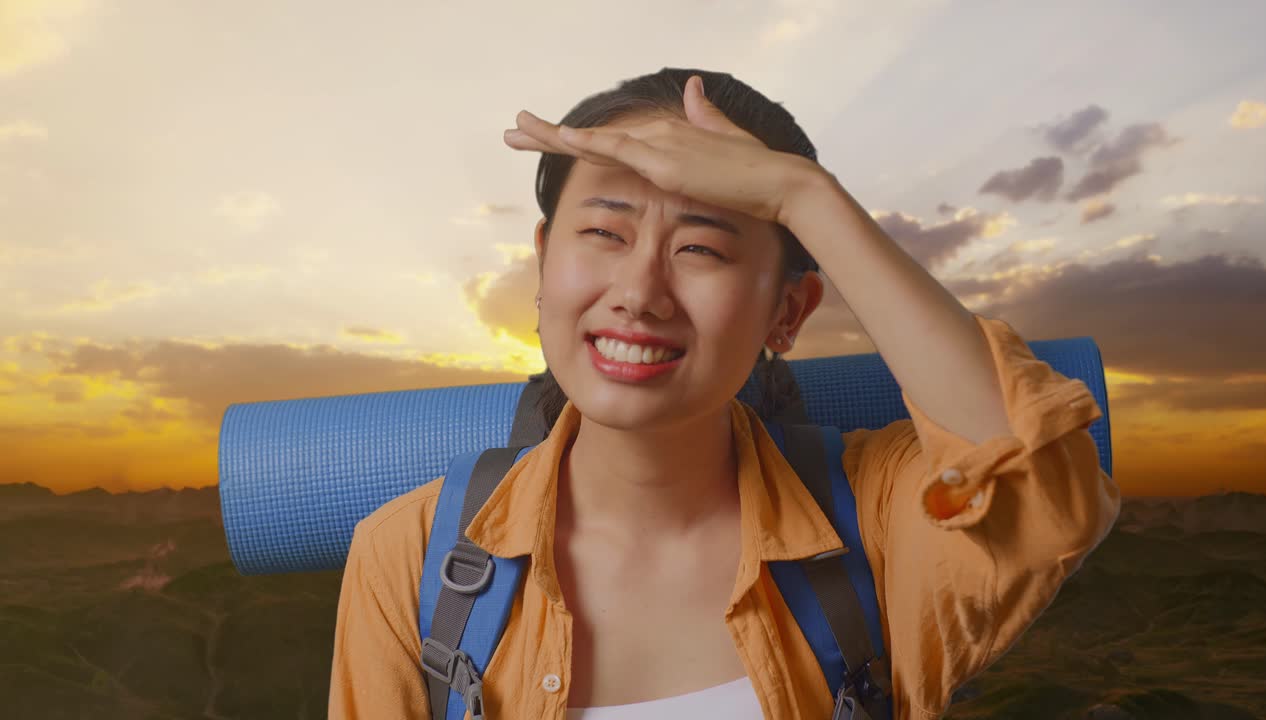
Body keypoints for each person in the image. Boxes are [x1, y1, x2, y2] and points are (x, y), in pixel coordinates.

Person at [327, 67, 1121, 719]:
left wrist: (804, 196)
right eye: (604, 233)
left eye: (702, 248)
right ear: (544, 259)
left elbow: (1044, 491)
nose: (639, 293)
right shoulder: (409, 556)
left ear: (788, 311)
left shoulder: (872, 524)